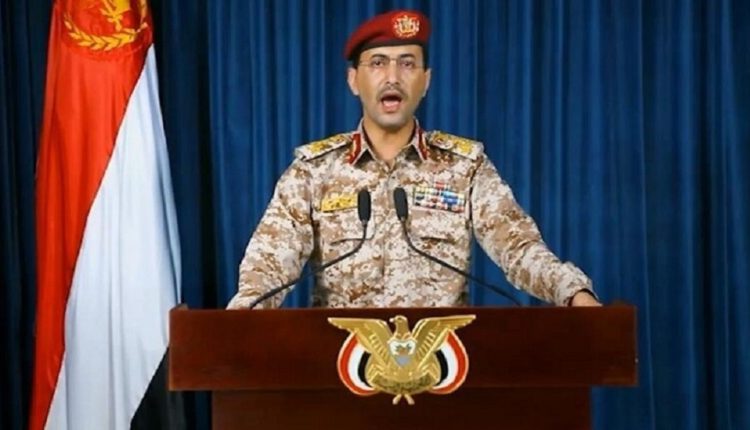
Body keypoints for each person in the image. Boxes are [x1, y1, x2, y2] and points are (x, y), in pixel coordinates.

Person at [227, 10, 600, 309]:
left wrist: (573, 293)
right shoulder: (313, 171)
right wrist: (244, 314)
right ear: (353, 80)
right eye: (377, 63)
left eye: (407, 64)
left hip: (442, 364)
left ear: (426, 80)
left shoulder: (465, 167)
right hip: (342, 364)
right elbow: (270, 266)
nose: (392, 77)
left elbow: (517, 248)